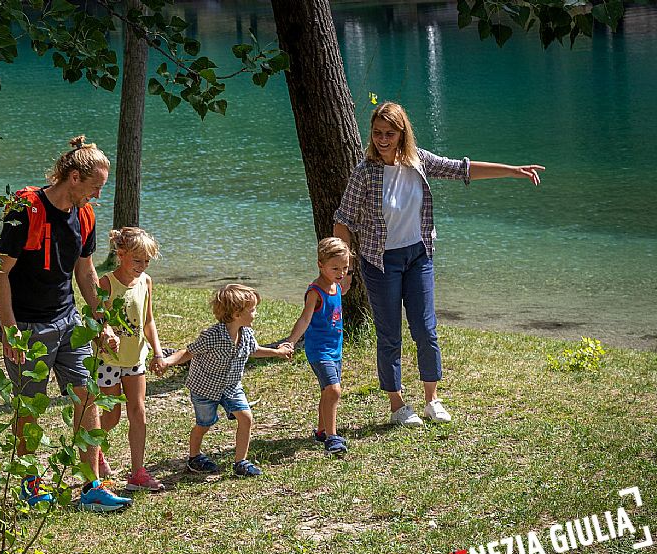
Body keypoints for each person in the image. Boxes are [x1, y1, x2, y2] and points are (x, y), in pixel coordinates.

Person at [333, 101, 544, 427]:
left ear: (402, 133)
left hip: (418, 256)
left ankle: (432, 400)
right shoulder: (364, 173)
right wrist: (343, 269)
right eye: (377, 133)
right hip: (381, 262)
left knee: (426, 330)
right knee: (390, 335)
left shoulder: (419, 162)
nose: (382, 139)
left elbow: (463, 169)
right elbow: (343, 221)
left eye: (389, 133)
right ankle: (398, 405)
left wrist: (513, 171)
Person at [0, 135, 131, 512]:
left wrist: (101, 320)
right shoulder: (26, 208)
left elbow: (84, 273)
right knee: (30, 408)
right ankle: (30, 484)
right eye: (94, 187)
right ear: (72, 177)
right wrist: (10, 330)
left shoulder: (84, 216)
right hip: (28, 328)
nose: (97, 196)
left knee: (88, 398)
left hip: (70, 323)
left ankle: (92, 486)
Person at [155, 284, 292, 477]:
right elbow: (188, 352)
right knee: (204, 424)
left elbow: (254, 350)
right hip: (204, 389)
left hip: (231, 387)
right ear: (236, 314)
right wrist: (167, 362)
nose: (256, 313)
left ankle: (240, 462)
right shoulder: (212, 336)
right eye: (252, 310)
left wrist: (278, 352)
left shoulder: (247, 334)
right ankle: (194, 458)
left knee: (246, 418)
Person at [95, 227, 166, 492]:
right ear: (121, 254)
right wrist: (106, 334)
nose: (142, 266)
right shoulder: (106, 283)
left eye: (146, 261)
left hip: (136, 359)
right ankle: (94, 449)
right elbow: (97, 320)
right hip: (109, 361)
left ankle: (138, 472)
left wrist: (158, 352)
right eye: (137, 260)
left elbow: (148, 320)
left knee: (139, 413)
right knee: (111, 416)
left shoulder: (146, 282)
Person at [280, 237, 353, 456]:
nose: (340, 273)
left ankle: (321, 430)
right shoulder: (315, 292)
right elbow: (304, 319)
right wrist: (291, 341)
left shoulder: (336, 286)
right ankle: (332, 438)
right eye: (335, 268)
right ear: (320, 264)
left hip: (335, 349)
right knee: (333, 389)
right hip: (319, 351)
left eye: (345, 267)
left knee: (326, 390)